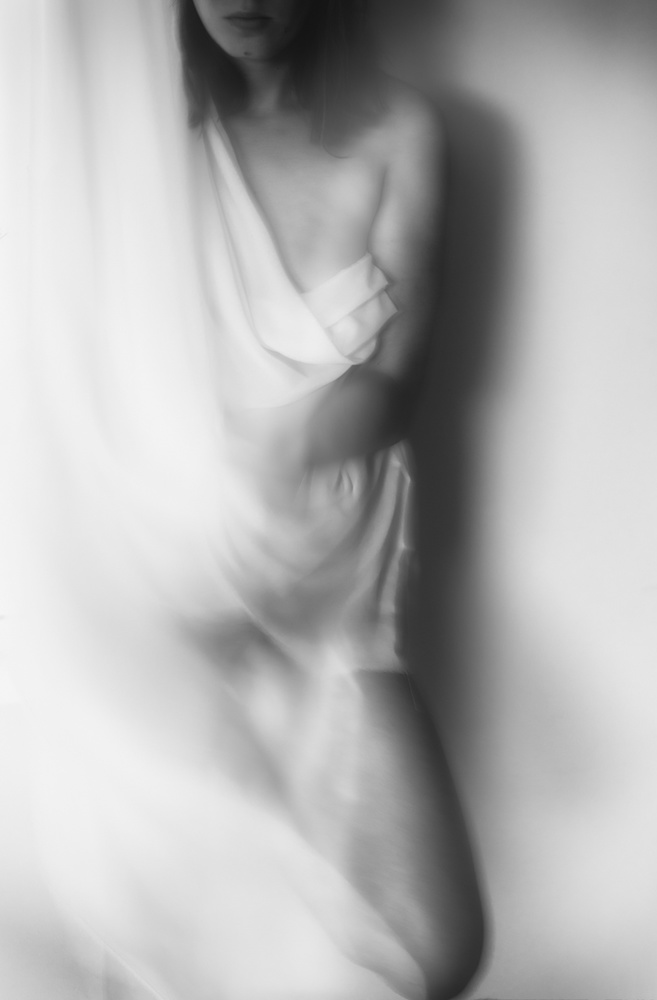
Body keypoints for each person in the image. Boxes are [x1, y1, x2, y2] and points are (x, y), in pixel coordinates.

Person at [8, 1, 484, 998]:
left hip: (333, 603)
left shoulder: (404, 131)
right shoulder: (150, 158)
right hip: (182, 595)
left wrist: (283, 445)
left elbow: (395, 386)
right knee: (150, 935)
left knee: (436, 947)